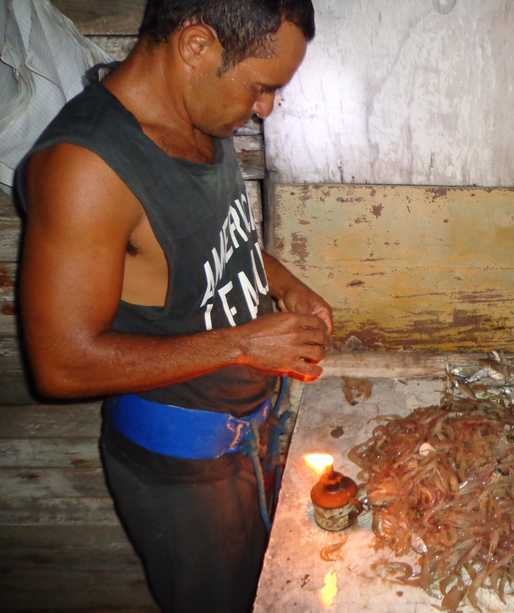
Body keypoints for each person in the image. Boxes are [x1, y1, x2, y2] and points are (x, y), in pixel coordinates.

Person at [15, 1, 328, 611]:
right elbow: (60, 366)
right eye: (261, 88)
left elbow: (207, 236)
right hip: (180, 470)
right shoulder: (85, 170)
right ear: (196, 47)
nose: (264, 108)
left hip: (241, 435)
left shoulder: (200, 116)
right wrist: (242, 343)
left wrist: (283, 279)